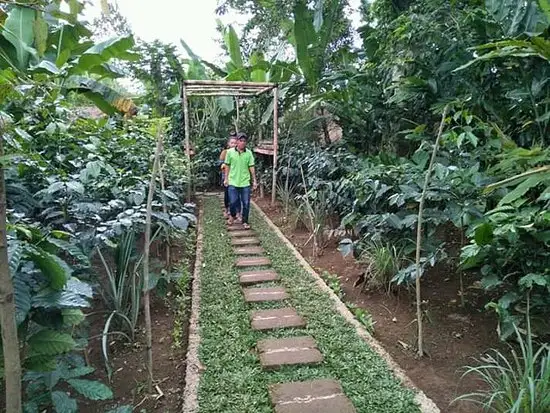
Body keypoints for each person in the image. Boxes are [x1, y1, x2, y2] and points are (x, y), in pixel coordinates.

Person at [224, 132, 257, 229]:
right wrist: (226, 178)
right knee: (233, 202)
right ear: (237, 141)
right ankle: (233, 215)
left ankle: (245, 221)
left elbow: (251, 167)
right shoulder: (230, 152)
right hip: (233, 182)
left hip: (245, 182)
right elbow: (227, 165)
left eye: (244, 141)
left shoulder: (249, 153)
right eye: (240, 140)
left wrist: (254, 180)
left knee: (246, 203)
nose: (242, 143)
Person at [219, 133, 238, 218]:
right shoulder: (225, 152)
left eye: (235, 143)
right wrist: (223, 165)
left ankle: (235, 211)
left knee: (236, 195)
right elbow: (220, 163)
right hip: (226, 176)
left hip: (236, 176)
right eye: (232, 143)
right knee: (227, 194)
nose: (234, 144)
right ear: (228, 144)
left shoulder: (239, 152)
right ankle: (226, 210)